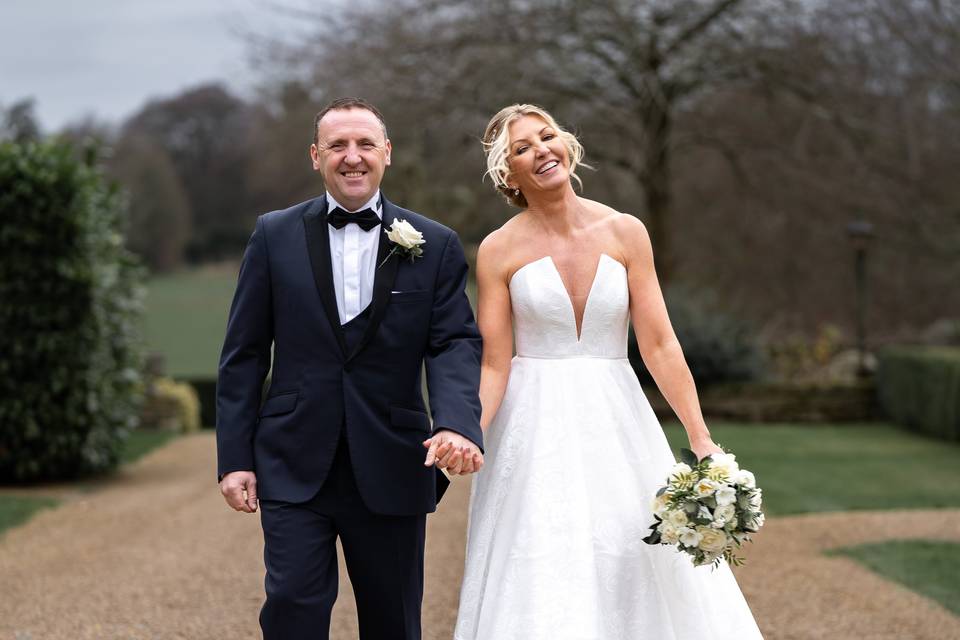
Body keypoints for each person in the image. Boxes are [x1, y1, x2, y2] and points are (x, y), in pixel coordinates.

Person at [453, 104, 764, 639]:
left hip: (617, 416)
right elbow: (494, 362)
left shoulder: (626, 231)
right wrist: (468, 432)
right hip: (533, 428)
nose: (540, 151)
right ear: (509, 174)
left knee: (632, 548)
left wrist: (702, 439)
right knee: (542, 557)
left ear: (567, 144)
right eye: (521, 148)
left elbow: (660, 344)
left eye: (546, 136)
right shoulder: (497, 250)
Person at [216, 97, 484, 640]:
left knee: (393, 621)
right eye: (338, 145)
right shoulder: (273, 235)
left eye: (365, 144)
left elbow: (454, 341)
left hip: (393, 458)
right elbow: (243, 355)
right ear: (316, 156)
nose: (352, 157)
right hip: (293, 460)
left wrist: (456, 421)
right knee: (291, 605)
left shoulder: (435, 244)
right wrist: (234, 459)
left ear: (387, 153)